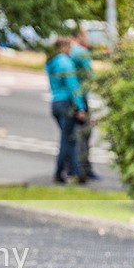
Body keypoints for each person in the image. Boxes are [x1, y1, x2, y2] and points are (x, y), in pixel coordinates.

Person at [45, 37, 87, 184]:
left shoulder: (52, 62)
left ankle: (71, 171)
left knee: (67, 138)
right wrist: (80, 107)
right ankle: (63, 172)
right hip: (66, 103)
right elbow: (73, 87)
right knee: (67, 139)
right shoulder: (66, 62)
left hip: (55, 102)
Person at [70, 26, 100, 180]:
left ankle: (74, 168)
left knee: (72, 134)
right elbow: (91, 75)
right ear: (79, 36)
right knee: (85, 133)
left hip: (71, 98)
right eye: (86, 34)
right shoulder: (80, 53)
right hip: (80, 97)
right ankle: (83, 169)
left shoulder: (68, 52)